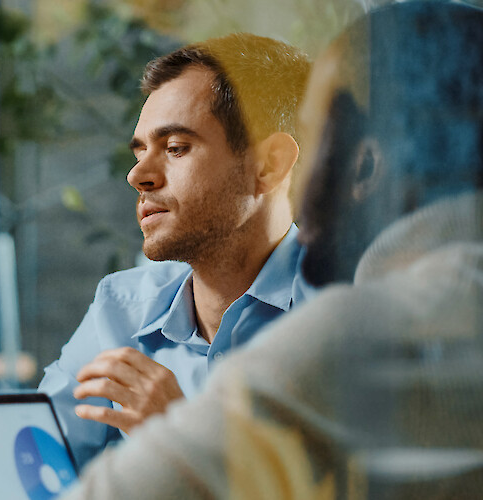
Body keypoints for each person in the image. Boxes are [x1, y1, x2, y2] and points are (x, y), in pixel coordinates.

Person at [56, 2, 483, 497]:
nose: (137, 175)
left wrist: (181, 436)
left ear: (365, 162)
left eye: (316, 138)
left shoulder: (355, 336)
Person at [40, 33, 314, 466]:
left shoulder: (353, 320)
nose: (138, 176)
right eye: (140, 152)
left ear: (269, 164)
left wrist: (184, 441)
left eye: (175, 148)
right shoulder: (122, 310)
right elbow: (35, 456)